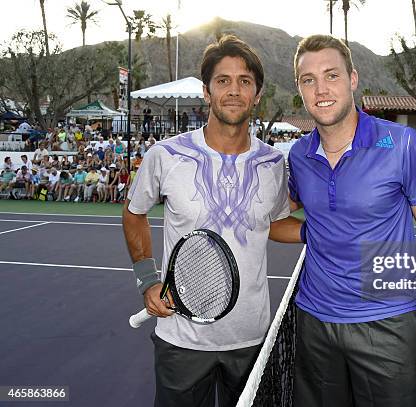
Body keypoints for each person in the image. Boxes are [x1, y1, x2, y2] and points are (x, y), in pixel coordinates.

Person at [122, 35, 297, 407]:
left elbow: (273, 224)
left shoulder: (273, 164)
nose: (233, 91)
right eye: (223, 81)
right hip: (181, 342)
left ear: (257, 94)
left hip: (251, 340)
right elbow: (134, 213)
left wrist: (321, 231)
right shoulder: (165, 155)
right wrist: (148, 281)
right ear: (207, 91)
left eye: (244, 81)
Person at [285, 35, 416, 406]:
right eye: (308, 80)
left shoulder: (403, 144)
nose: (321, 89)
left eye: (331, 75)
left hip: (387, 325)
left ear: (353, 79)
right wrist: (311, 231)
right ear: (299, 88)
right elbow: (277, 214)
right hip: (315, 324)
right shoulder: (298, 155)